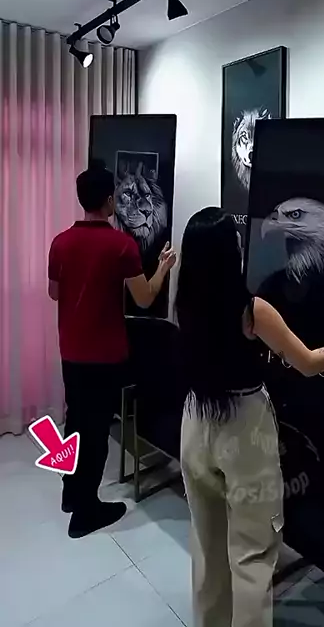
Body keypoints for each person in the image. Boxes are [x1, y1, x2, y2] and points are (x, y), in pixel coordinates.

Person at [176, 207, 324, 627]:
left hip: (195, 421)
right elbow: (308, 363)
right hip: (243, 429)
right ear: (230, 252)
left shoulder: (185, 302)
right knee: (252, 554)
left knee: (208, 548)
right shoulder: (252, 310)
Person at [48, 163, 176, 538]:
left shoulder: (60, 242)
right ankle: (85, 512)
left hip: (71, 351)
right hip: (104, 356)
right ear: (109, 201)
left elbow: (54, 293)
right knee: (97, 431)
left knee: (76, 423)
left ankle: (71, 493)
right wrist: (163, 267)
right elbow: (145, 297)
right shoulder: (122, 245)